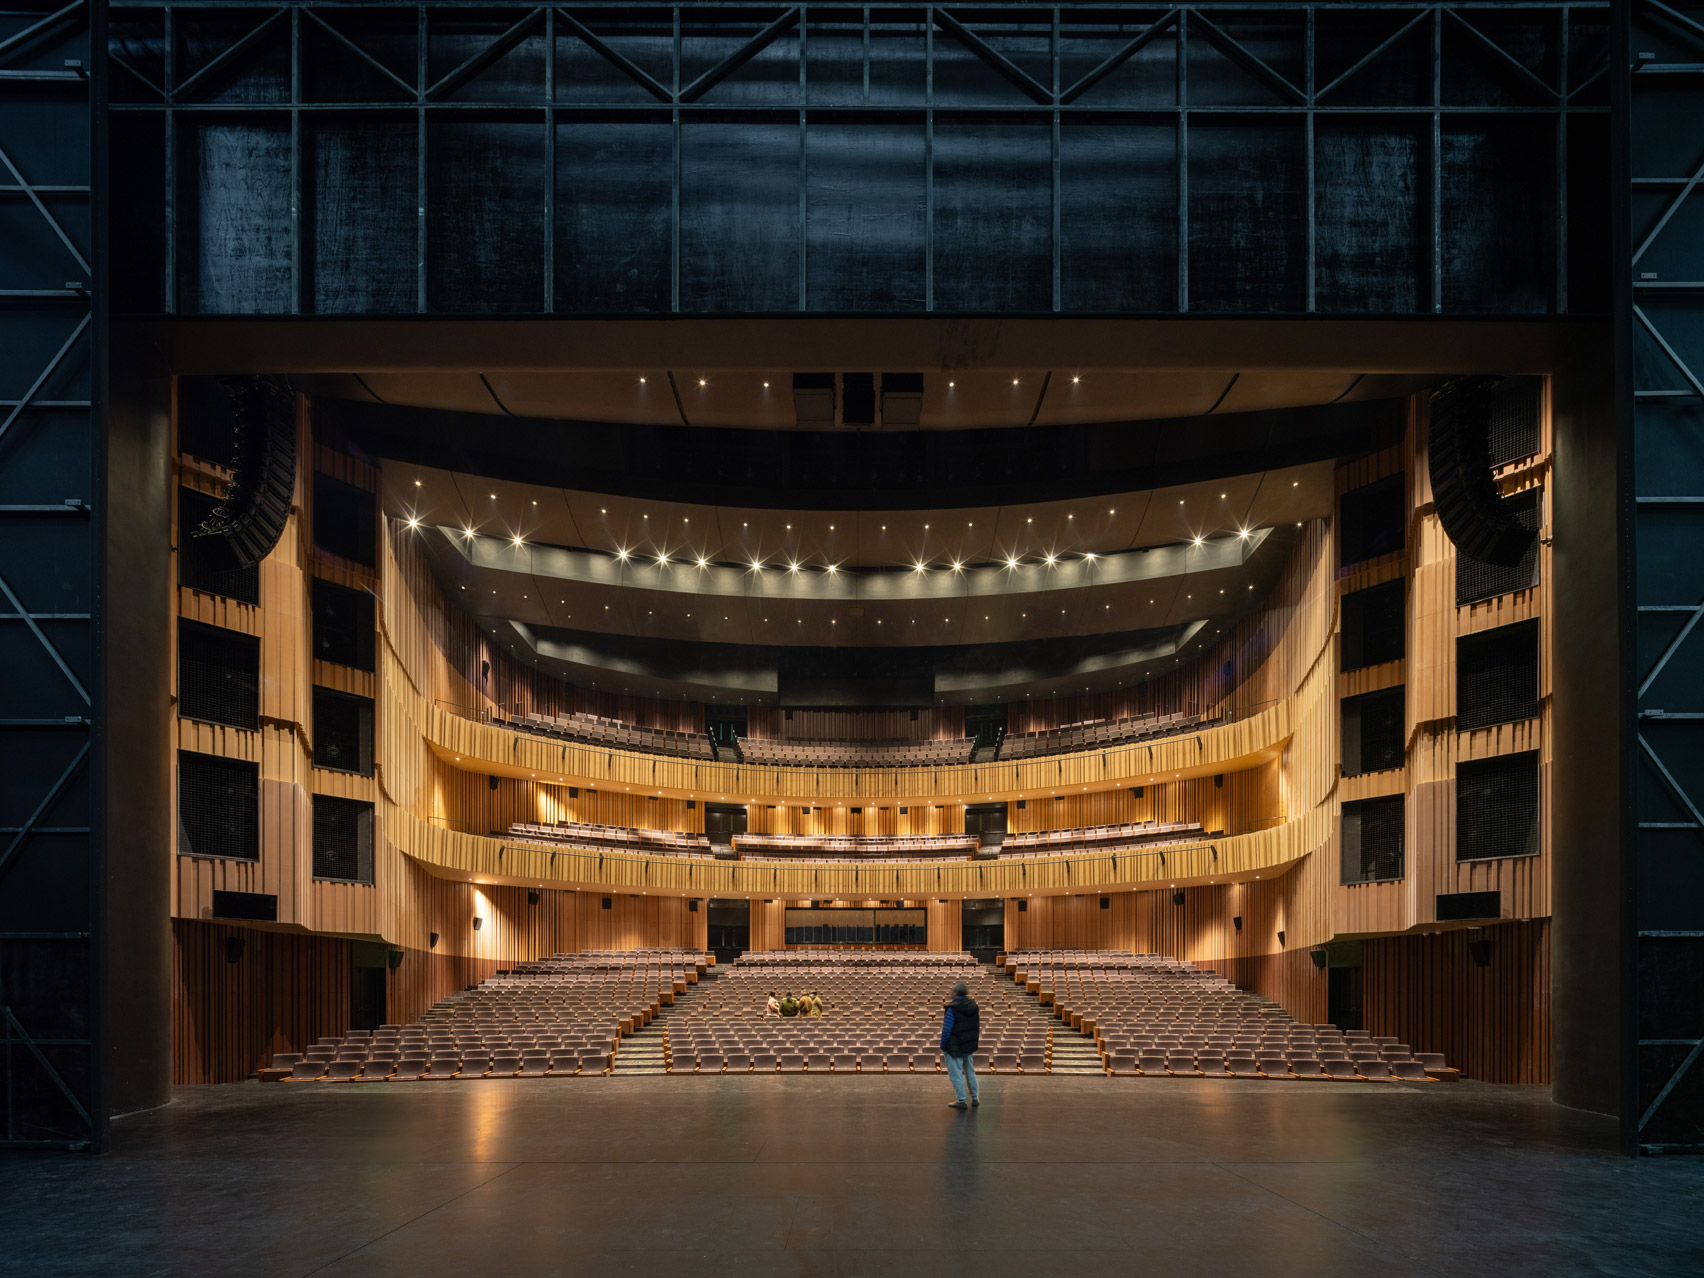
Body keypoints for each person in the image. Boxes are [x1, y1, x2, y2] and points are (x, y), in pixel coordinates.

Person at [940, 981, 980, 1109]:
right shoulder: (973, 1007)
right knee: (970, 1071)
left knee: (956, 1073)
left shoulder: (952, 1008)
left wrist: (943, 1045)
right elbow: (976, 1027)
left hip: (955, 1046)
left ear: (956, 993)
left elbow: (947, 1030)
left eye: (952, 991)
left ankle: (961, 1100)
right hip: (968, 1044)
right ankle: (975, 1098)